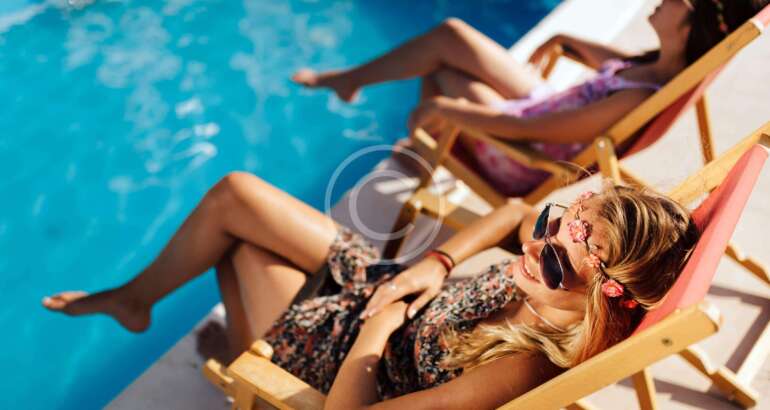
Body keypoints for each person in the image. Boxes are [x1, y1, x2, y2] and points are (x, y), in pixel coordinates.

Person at [43, 171, 699, 408]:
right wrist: (437, 262)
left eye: (556, 261)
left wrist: (379, 327)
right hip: (388, 290)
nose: (535, 247)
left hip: (350, 360)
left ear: (605, 295)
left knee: (236, 249)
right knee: (236, 195)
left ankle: (239, 363)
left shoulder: (522, 365)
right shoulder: (551, 272)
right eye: (555, 223)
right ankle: (135, 298)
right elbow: (511, 212)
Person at [293, 0, 767, 196]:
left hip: (521, 154)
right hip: (541, 109)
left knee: (442, 73)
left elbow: (527, 130)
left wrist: (446, 109)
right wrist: (564, 38)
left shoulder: (634, 100)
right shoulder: (656, 68)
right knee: (452, 35)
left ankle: (423, 155)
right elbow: (611, 67)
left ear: (690, 29)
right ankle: (350, 80)